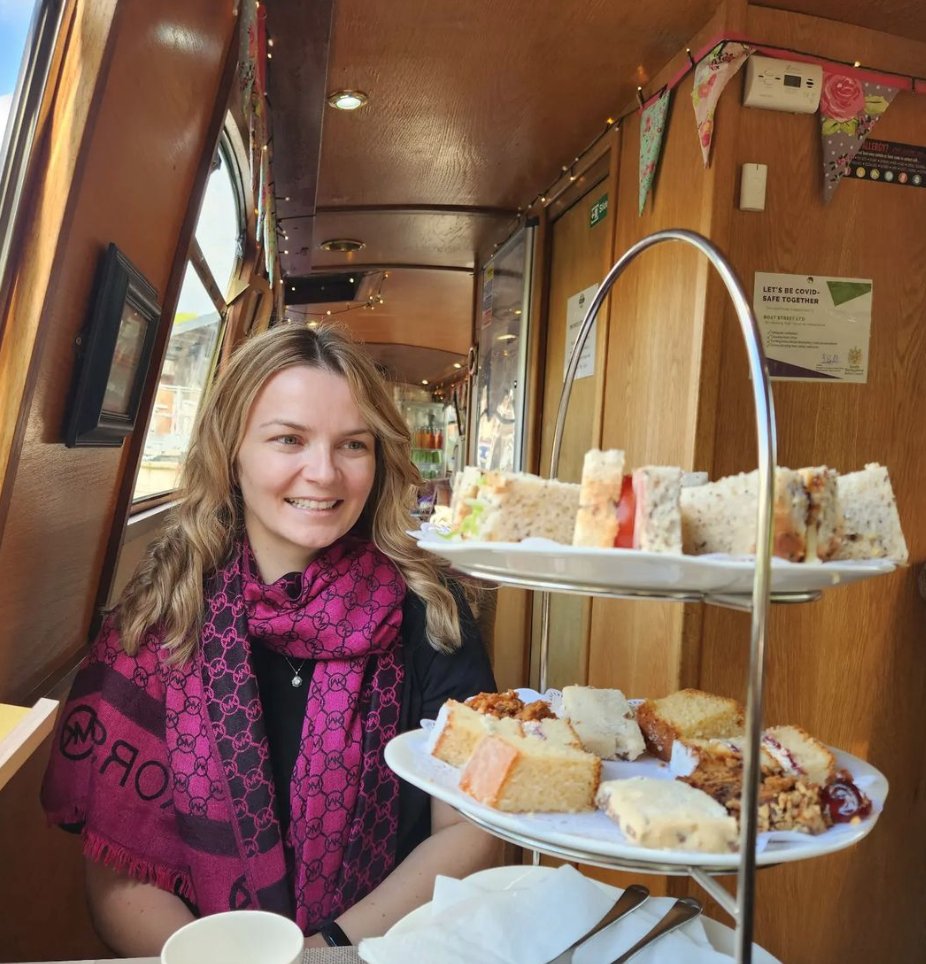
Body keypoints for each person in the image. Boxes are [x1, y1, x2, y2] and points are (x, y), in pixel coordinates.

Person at [42, 322, 501, 954]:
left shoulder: (432, 610)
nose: (325, 473)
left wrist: (324, 950)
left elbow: (472, 825)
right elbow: (120, 870)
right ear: (231, 449)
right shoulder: (157, 615)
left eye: (353, 445)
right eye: (289, 439)